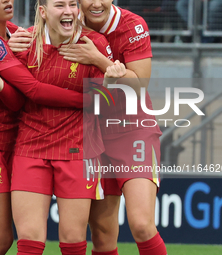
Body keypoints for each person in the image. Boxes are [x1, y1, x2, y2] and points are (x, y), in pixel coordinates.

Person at [0, 0, 95, 255]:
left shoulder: (10, 34)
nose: (7, 0)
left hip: (3, 144)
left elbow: (17, 101)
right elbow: (33, 90)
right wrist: (88, 99)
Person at [0, 0, 124, 254]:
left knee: (72, 239)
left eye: (73, 4)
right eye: (60, 5)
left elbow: (108, 106)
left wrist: (109, 84)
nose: (69, 11)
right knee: (28, 239)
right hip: (31, 149)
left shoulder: (94, 46)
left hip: (78, 150)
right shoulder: (23, 42)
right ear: (42, 11)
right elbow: (16, 102)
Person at [57, 1, 166, 255]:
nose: (96, 3)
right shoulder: (69, 21)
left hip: (133, 128)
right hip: (92, 132)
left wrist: (97, 58)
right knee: (102, 235)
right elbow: (41, 28)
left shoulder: (132, 24)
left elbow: (139, 85)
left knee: (141, 225)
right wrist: (14, 37)